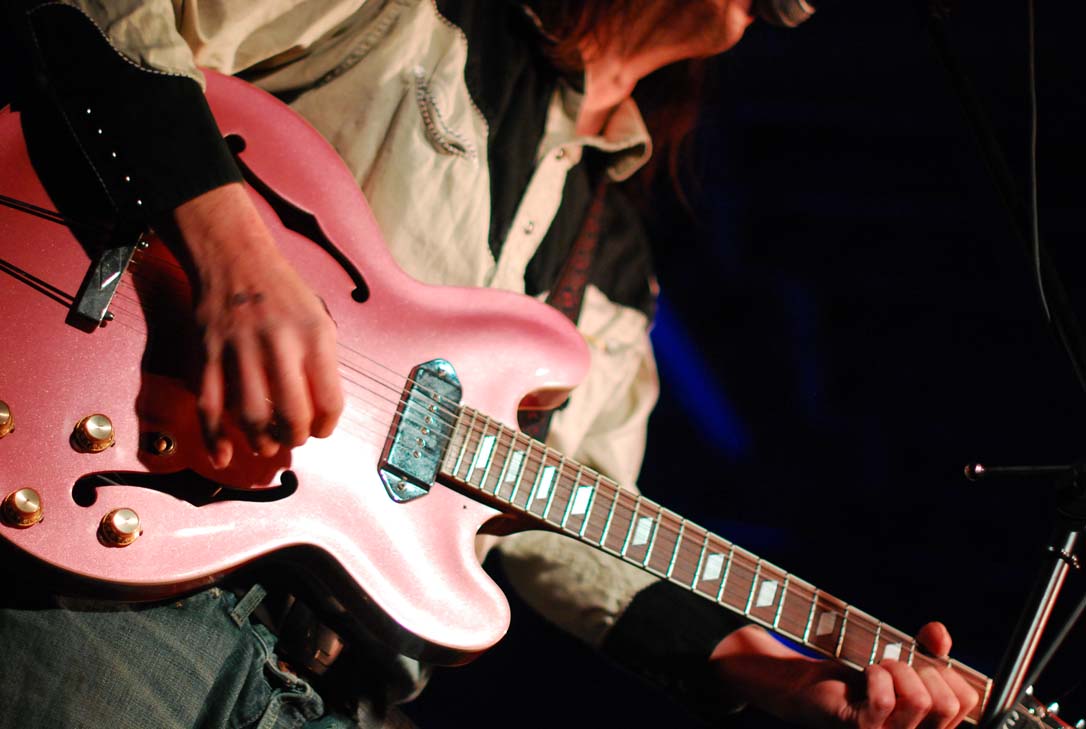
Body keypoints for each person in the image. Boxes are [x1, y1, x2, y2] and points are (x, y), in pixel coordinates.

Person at [0, 1, 980, 728]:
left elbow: (574, 531)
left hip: (333, 687)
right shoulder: (412, 20)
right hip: (126, 569)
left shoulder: (618, 269)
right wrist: (235, 260)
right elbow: (104, 16)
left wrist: (774, 671)